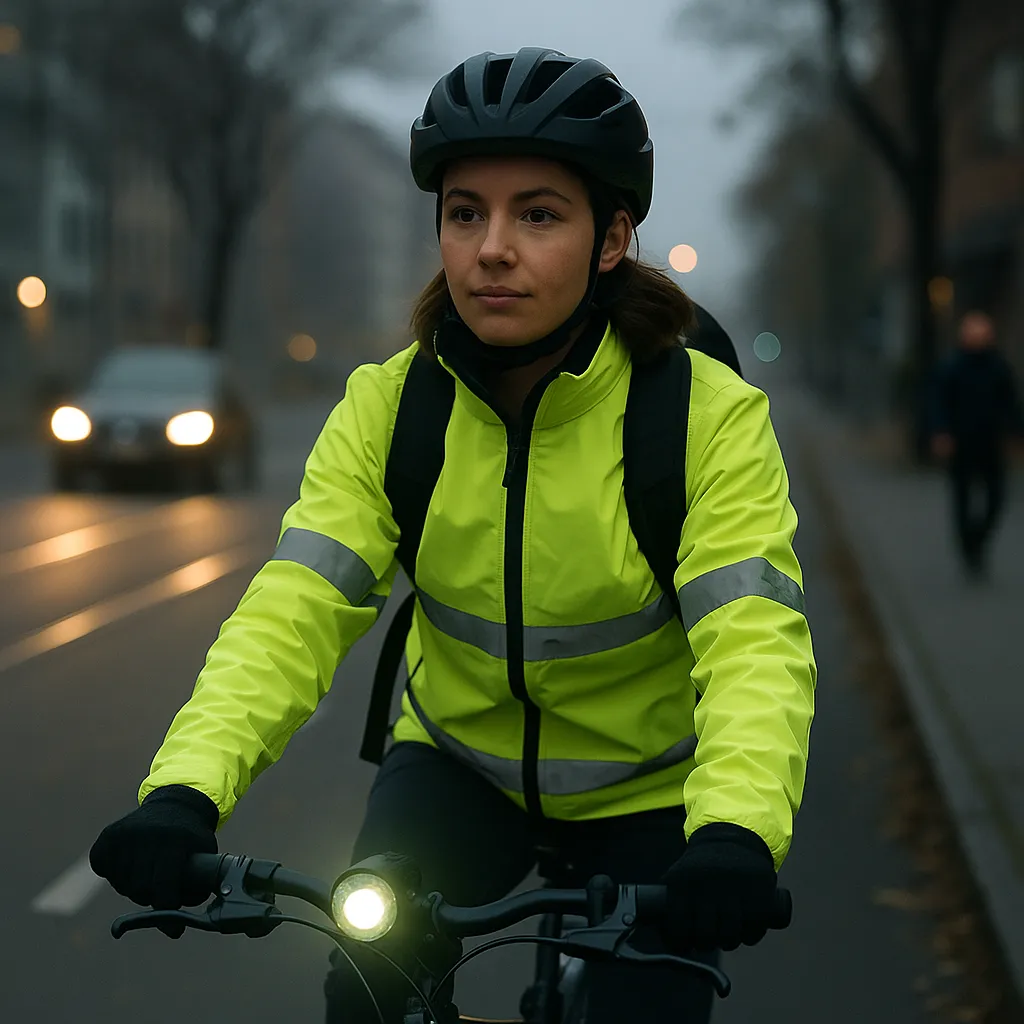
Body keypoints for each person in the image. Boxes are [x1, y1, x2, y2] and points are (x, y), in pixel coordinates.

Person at [89, 47, 817, 1023]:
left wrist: (734, 831)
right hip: (455, 766)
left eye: (539, 214)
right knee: (367, 987)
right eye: (465, 211)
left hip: (648, 792)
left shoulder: (703, 420)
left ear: (612, 241)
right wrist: (183, 791)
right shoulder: (391, 409)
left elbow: (753, 645)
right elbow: (293, 609)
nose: (492, 248)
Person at [931, 310, 1022, 578]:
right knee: (961, 499)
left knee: (997, 497)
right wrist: (941, 432)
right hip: (961, 443)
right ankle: (968, 549)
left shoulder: (998, 367)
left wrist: (1016, 431)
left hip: (990, 443)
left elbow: (1011, 403)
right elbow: (939, 402)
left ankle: (978, 540)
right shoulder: (952, 366)